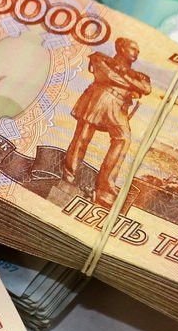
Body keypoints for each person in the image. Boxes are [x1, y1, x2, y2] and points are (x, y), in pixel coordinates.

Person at [63, 37, 151, 207]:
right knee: (82, 137)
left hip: (119, 107)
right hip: (99, 98)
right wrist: (131, 83)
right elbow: (106, 75)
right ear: (121, 48)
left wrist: (125, 77)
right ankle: (69, 177)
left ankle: (105, 188)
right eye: (133, 48)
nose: (136, 53)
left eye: (138, 51)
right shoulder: (100, 58)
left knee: (123, 138)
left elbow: (145, 88)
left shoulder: (140, 75)